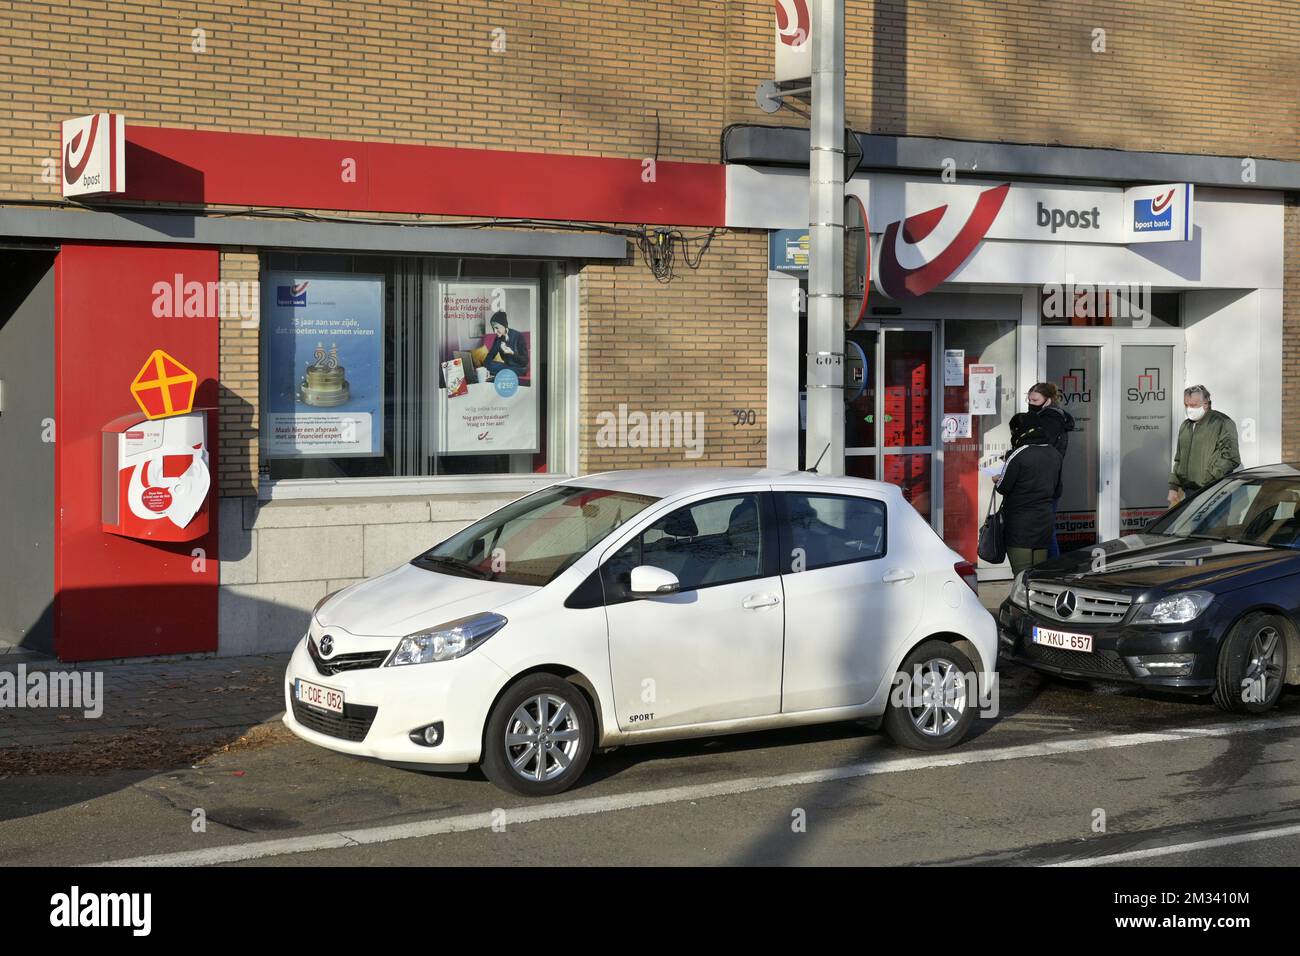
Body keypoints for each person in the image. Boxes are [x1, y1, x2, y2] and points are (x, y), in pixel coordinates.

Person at [994, 412, 1063, 574]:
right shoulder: (1054, 453)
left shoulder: (1019, 454)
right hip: (1043, 523)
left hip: (1020, 525)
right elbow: (1058, 490)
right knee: (1037, 576)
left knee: (1022, 577)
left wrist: (997, 479)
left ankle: (1022, 600)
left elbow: (1003, 487)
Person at [1168, 385, 1241, 507]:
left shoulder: (1222, 423)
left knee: (1215, 526)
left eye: (1193, 405)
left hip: (1215, 492)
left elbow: (1231, 457)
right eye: (1186, 405)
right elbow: (1179, 458)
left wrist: (1209, 478)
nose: (1189, 409)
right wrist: (1174, 487)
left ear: (1206, 404)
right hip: (1189, 493)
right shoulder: (1185, 426)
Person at [1027, 382, 1073, 558]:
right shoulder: (1047, 417)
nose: (1031, 403)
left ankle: (1053, 568)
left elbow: (1040, 448)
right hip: (1046, 482)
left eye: (1035, 400)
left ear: (1047, 400)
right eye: (1029, 399)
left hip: (1044, 482)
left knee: (1045, 530)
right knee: (1045, 528)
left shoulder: (1050, 420)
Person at [483, 311, 528, 378]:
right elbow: (490, 356)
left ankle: (502, 373)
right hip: (507, 367)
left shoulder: (518, 336)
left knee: (507, 370)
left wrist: (512, 353)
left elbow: (525, 361)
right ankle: (503, 373)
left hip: (519, 368)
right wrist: (485, 368)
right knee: (490, 365)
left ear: (504, 325)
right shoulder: (498, 338)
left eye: (496, 328)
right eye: (493, 328)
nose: (494, 331)